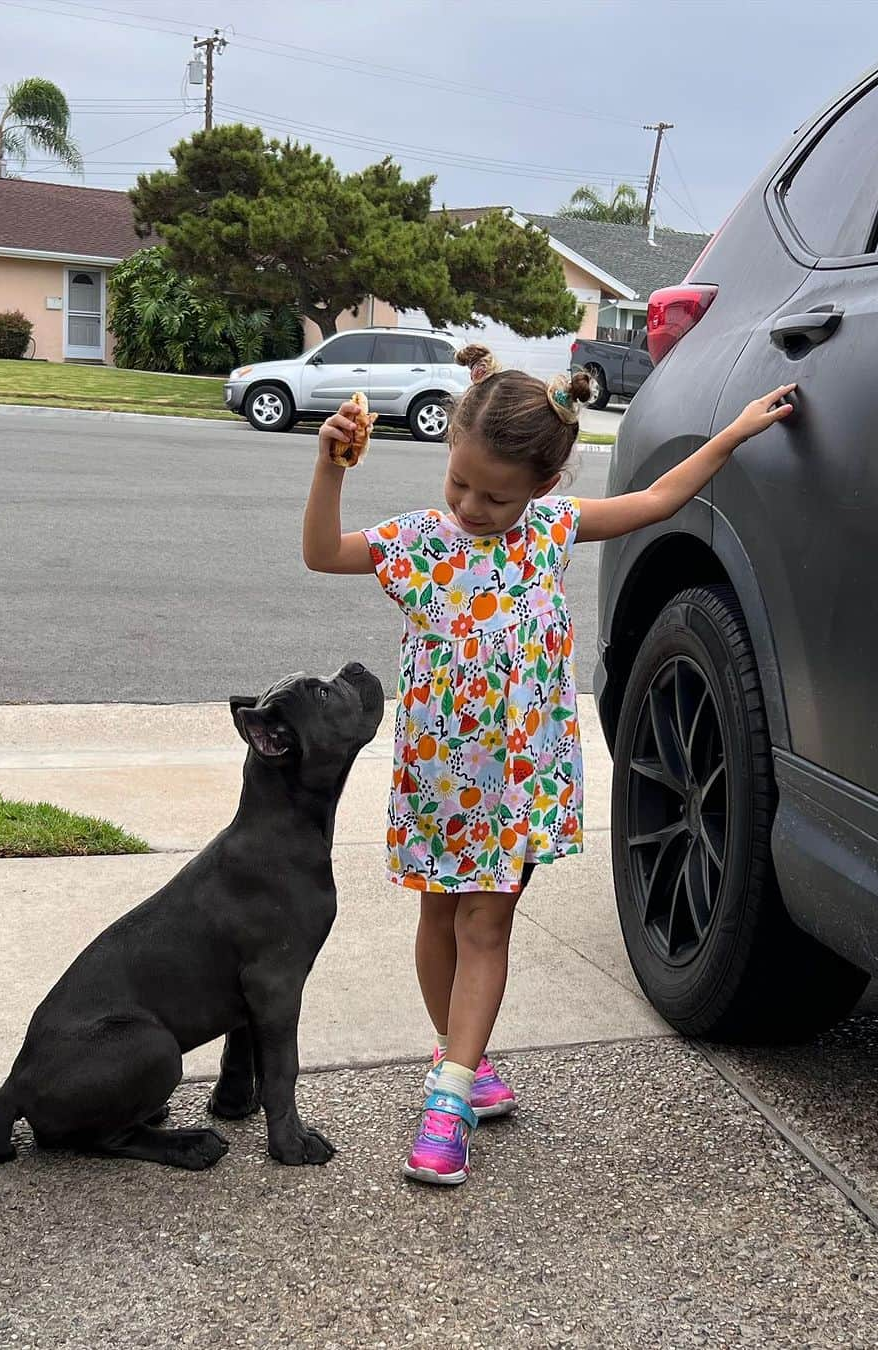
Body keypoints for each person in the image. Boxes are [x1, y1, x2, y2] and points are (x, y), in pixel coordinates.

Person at [302, 342, 795, 1186]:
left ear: (544, 485)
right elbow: (320, 552)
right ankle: (464, 1059)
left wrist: (737, 432)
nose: (470, 506)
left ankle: (449, 1099)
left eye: (495, 495)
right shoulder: (421, 541)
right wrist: (331, 468)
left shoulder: (552, 531)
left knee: (485, 927)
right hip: (439, 776)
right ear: (449, 451)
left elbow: (658, 498)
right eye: (458, 483)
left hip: (518, 778)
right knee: (436, 923)